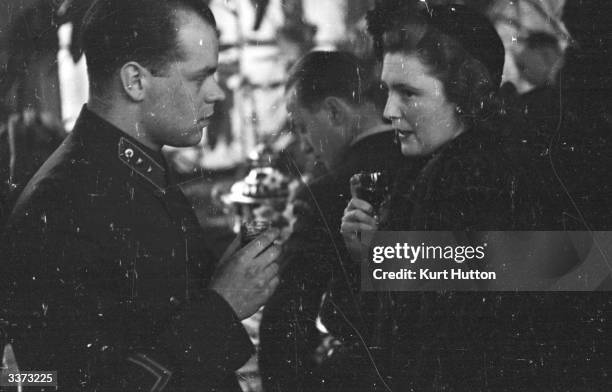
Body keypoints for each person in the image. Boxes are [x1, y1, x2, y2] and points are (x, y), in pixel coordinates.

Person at [0, 1, 282, 390]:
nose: (217, 93)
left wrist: (221, 281)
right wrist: (223, 306)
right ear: (134, 81)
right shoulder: (61, 203)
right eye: (200, 77)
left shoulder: (134, 169)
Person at [339, 3, 610, 391]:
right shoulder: (463, 162)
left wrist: (378, 257)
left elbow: (446, 338)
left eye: (408, 93)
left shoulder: (474, 179)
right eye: (387, 90)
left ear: (467, 95)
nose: (388, 111)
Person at [258, 51, 413, 392]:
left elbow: (287, 318)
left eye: (302, 127)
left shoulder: (326, 192)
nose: (304, 145)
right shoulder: (423, 163)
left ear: (334, 111)